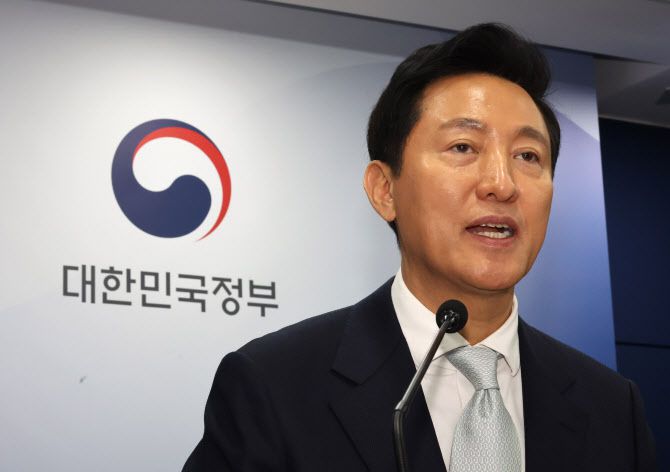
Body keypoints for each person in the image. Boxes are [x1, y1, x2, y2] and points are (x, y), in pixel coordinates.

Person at [183, 23, 657, 471]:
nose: (502, 183)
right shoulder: (273, 385)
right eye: (463, 147)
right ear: (384, 190)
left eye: (528, 156)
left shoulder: (613, 407)